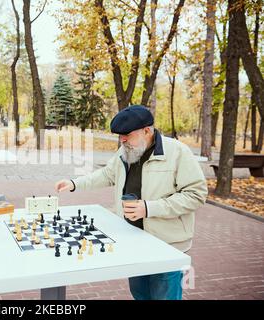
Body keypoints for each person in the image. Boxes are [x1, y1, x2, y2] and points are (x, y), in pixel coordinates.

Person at [55, 105, 208, 300]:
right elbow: (106, 174)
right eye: (120, 136)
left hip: (167, 244)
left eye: (126, 134)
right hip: (133, 239)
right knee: (140, 295)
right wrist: (75, 183)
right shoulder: (125, 151)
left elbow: (196, 194)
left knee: (165, 296)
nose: (122, 140)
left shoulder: (178, 152)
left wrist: (149, 208)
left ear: (146, 131)